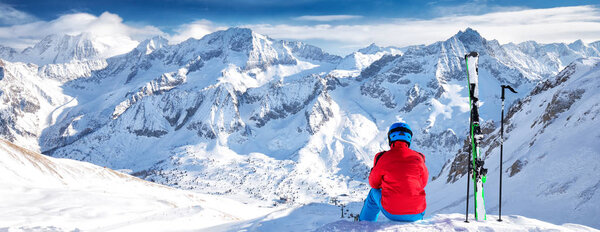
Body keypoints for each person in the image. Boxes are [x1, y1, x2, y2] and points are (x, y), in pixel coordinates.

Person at [359, 122, 428, 222]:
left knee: (373, 193)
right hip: (417, 213)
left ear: (390, 138)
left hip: (392, 212)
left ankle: (364, 224)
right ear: (409, 139)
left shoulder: (382, 157)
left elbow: (374, 184)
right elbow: (423, 183)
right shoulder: (419, 157)